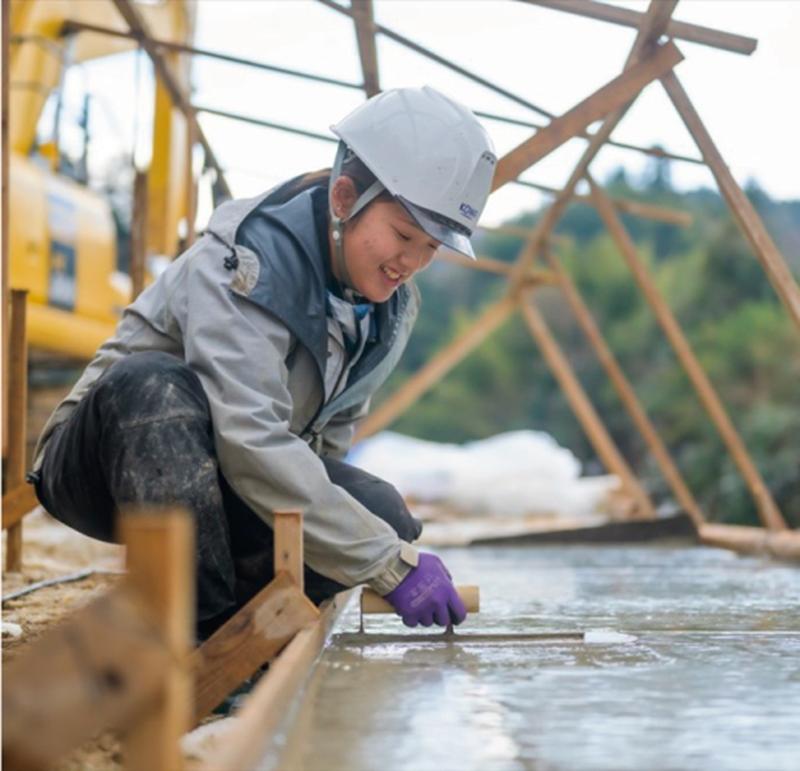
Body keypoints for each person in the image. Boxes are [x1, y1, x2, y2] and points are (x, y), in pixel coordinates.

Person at [28, 86, 497, 638]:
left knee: (379, 511)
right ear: (343, 198)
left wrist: (375, 544)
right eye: (403, 235)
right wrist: (387, 565)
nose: (412, 263)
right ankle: (191, 637)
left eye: (431, 248)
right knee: (152, 385)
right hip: (110, 461)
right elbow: (249, 437)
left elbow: (323, 450)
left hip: (226, 479)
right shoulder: (244, 263)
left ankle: (248, 632)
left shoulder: (386, 310)